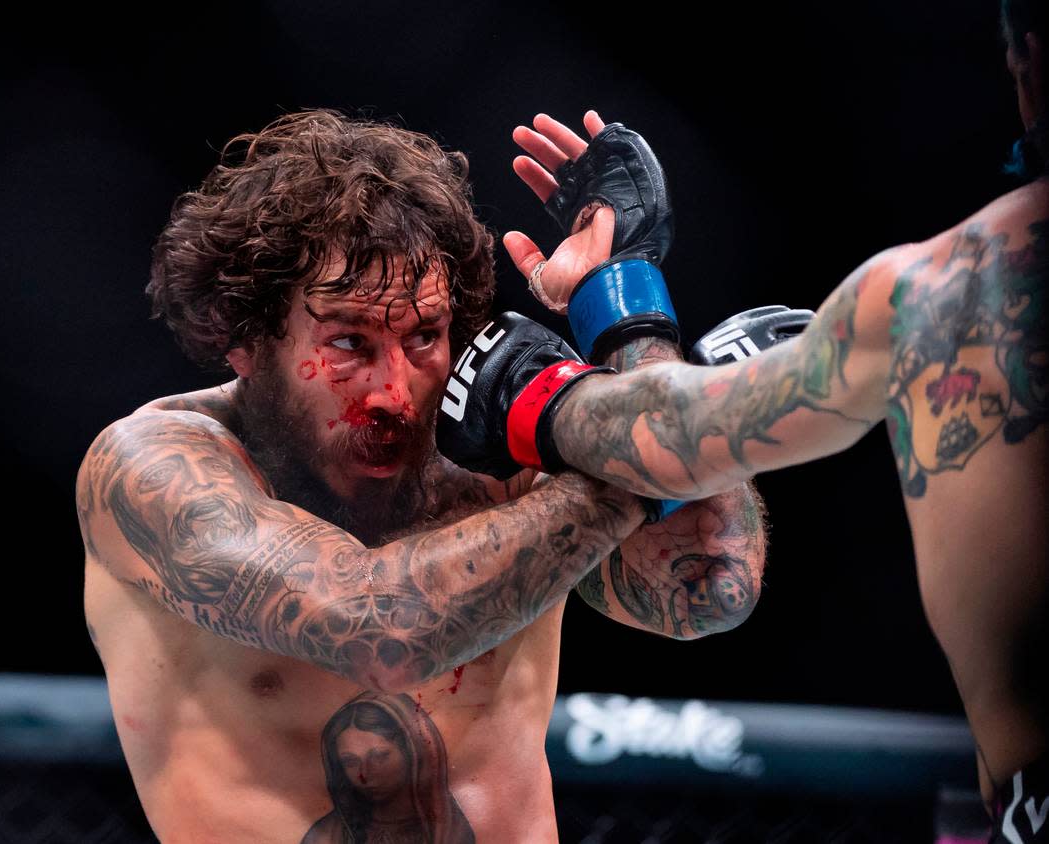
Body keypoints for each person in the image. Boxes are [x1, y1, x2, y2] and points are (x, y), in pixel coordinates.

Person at [76, 110, 766, 841]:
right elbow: (378, 633)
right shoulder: (155, 468)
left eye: (424, 337)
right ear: (246, 339)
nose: (394, 392)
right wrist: (649, 437)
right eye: (349, 342)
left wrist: (627, 317)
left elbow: (708, 589)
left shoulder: (497, 460)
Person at [451, 3, 1046, 838]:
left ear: (1026, 66)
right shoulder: (221, 467)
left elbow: (690, 509)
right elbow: (709, 588)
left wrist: (580, 354)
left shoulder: (949, 297)